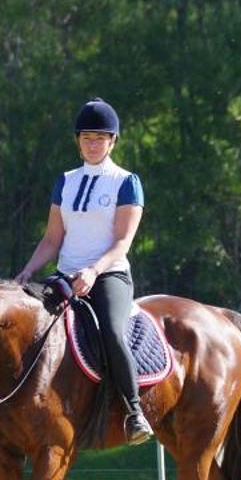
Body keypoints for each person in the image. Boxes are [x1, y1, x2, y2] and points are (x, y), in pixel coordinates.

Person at [14, 98, 154, 444]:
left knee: (112, 331)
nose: (92, 144)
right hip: (65, 274)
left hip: (109, 274)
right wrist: (27, 271)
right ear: (78, 141)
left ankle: (134, 411)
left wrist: (93, 271)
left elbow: (122, 241)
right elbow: (52, 238)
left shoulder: (125, 182)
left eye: (100, 138)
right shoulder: (66, 181)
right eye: (86, 138)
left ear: (112, 141)